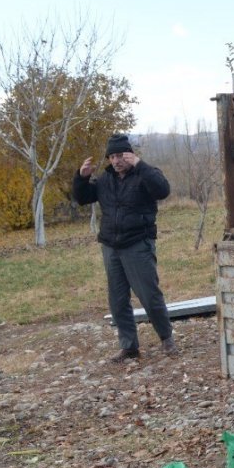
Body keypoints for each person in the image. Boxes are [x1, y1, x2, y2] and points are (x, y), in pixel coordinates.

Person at [72, 133, 177, 362]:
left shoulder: (144, 174)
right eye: (112, 156)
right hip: (111, 246)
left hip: (138, 243)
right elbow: (82, 198)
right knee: (118, 300)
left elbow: (163, 190)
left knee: (149, 295)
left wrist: (140, 165)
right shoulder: (104, 181)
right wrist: (81, 178)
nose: (117, 160)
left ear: (130, 155)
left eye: (121, 155)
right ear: (108, 158)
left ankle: (166, 338)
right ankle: (129, 346)